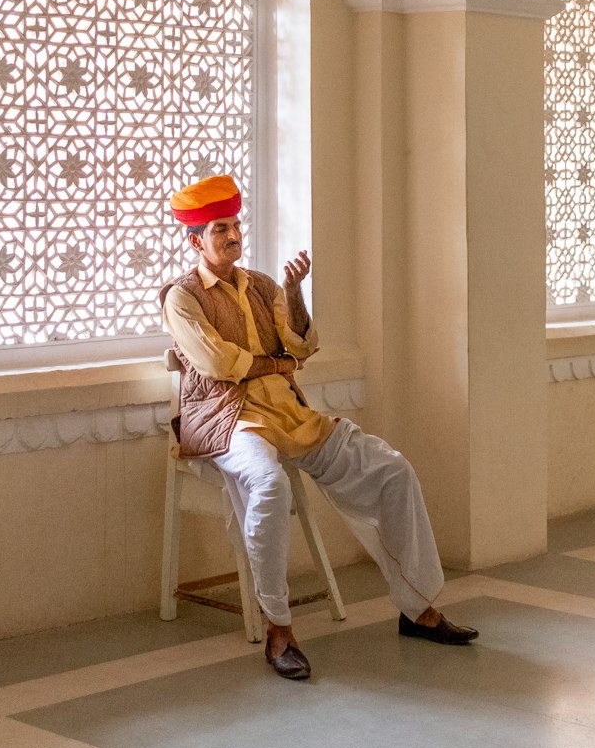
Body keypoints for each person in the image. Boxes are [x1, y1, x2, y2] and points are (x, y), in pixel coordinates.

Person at [160, 174, 478, 680]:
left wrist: (293, 292)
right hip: (227, 421)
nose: (232, 235)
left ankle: (417, 608)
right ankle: (279, 629)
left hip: (289, 415)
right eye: (220, 228)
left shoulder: (264, 286)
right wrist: (277, 365)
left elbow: (303, 347)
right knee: (268, 484)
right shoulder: (182, 297)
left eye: (235, 225)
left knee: (393, 470)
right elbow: (219, 364)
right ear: (196, 240)